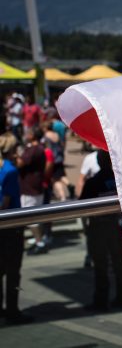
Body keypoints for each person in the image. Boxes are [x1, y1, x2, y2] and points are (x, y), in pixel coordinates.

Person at [80, 150, 122, 311]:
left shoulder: (93, 182)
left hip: (98, 227)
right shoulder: (120, 180)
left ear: (98, 162)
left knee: (100, 264)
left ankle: (101, 300)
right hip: (117, 225)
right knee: (118, 262)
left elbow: (82, 206)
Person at [0, 133, 33, 325]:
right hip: (11, 227)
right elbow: (6, 203)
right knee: (13, 271)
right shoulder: (10, 171)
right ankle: (12, 311)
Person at [16, 127, 48, 255]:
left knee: (30, 218)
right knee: (35, 216)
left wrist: (12, 155)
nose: (25, 134)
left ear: (33, 135)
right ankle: (39, 239)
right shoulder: (38, 148)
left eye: (28, 133)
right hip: (35, 186)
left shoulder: (34, 149)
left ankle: (39, 243)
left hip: (30, 188)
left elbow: (20, 163)